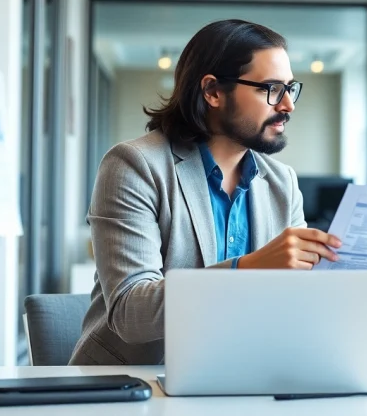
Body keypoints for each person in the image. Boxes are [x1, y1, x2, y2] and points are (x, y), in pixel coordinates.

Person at [70, 19, 342, 365]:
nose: (288, 105)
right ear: (212, 91)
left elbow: (298, 298)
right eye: (271, 89)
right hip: (136, 386)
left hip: (242, 376)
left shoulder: (282, 182)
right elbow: (130, 312)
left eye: (291, 88)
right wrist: (248, 269)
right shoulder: (133, 165)